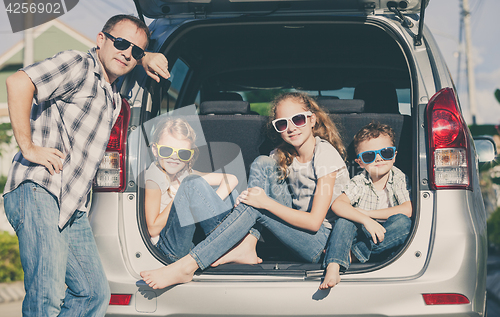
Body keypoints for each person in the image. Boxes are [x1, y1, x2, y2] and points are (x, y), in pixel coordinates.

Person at [3, 14, 170, 317]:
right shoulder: (78, 65)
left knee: (94, 294)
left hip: (73, 207)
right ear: (100, 39)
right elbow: (18, 82)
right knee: (46, 297)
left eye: (134, 51)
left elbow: (127, 51)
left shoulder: (114, 96)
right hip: (39, 190)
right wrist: (28, 147)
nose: (127, 53)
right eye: (120, 44)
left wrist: (142, 54)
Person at [140, 91, 350, 289]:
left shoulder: (325, 155)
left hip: (321, 243)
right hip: (294, 230)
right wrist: (253, 198)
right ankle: (247, 244)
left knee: (256, 204)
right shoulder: (284, 154)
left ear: (312, 120)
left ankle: (189, 265)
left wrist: (263, 202)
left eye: (298, 120)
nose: (291, 128)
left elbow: (314, 223)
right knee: (261, 163)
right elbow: (255, 180)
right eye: (282, 124)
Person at [144, 117, 262, 264]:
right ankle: (233, 242)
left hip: (189, 242)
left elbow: (231, 179)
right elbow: (153, 228)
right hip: (168, 248)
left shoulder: (184, 173)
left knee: (232, 194)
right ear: (155, 150)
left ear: (190, 156)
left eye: (183, 154)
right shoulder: (154, 176)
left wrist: (207, 206)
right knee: (191, 184)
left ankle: (232, 242)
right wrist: (182, 196)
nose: (174, 157)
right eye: (167, 150)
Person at [319, 122, 412, 290]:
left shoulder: (399, 178)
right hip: (361, 234)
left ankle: (351, 255)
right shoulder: (360, 181)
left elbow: (408, 209)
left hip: (384, 237)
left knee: (403, 223)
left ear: (395, 155)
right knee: (345, 220)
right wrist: (365, 220)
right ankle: (333, 266)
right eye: (369, 156)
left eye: (386, 152)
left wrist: (369, 214)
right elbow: (338, 205)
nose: (379, 158)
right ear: (360, 162)